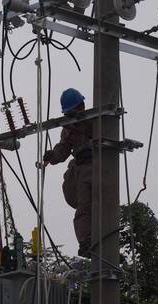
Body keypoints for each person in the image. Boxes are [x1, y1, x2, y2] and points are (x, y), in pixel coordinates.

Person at [43, 88, 93, 258]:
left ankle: (101, 244)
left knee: (97, 208)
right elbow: (63, 148)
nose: (73, 116)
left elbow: (106, 133)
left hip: (99, 166)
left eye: (75, 111)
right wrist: (53, 156)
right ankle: (88, 241)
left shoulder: (93, 120)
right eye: (70, 113)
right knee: (84, 207)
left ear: (82, 107)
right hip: (81, 168)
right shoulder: (68, 129)